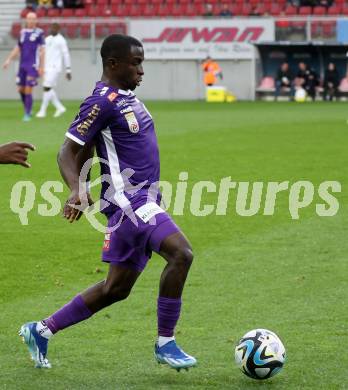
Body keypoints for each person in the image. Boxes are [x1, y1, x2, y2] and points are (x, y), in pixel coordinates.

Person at [19, 34, 197, 372]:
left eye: (142, 62)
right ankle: (166, 343)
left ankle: (40, 330)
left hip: (138, 203)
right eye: (135, 63)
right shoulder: (101, 101)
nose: (142, 70)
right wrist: (76, 188)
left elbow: (89, 147)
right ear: (113, 64)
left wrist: (84, 187)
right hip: (131, 202)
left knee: (116, 289)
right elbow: (67, 150)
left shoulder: (126, 97)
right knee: (181, 253)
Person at [2, 12, 45, 122]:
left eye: (33, 19)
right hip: (22, 65)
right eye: (29, 18)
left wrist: (41, 66)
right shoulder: (23, 32)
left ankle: (27, 113)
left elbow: (42, 50)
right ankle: (27, 108)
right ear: (26, 20)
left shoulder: (39, 33)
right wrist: (8, 60)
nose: (31, 20)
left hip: (32, 66)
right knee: (20, 89)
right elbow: (18, 48)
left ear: (36, 20)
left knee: (28, 89)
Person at [36, 23, 72, 118]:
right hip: (46, 67)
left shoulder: (61, 40)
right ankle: (60, 107)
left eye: (53, 28)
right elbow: (42, 52)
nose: (51, 30)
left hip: (55, 67)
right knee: (49, 88)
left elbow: (66, 54)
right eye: (50, 28)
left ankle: (42, 111)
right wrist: (40, 66)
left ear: (58, 29)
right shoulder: (47, 39)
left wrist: (68, 69)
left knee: (46, 87)